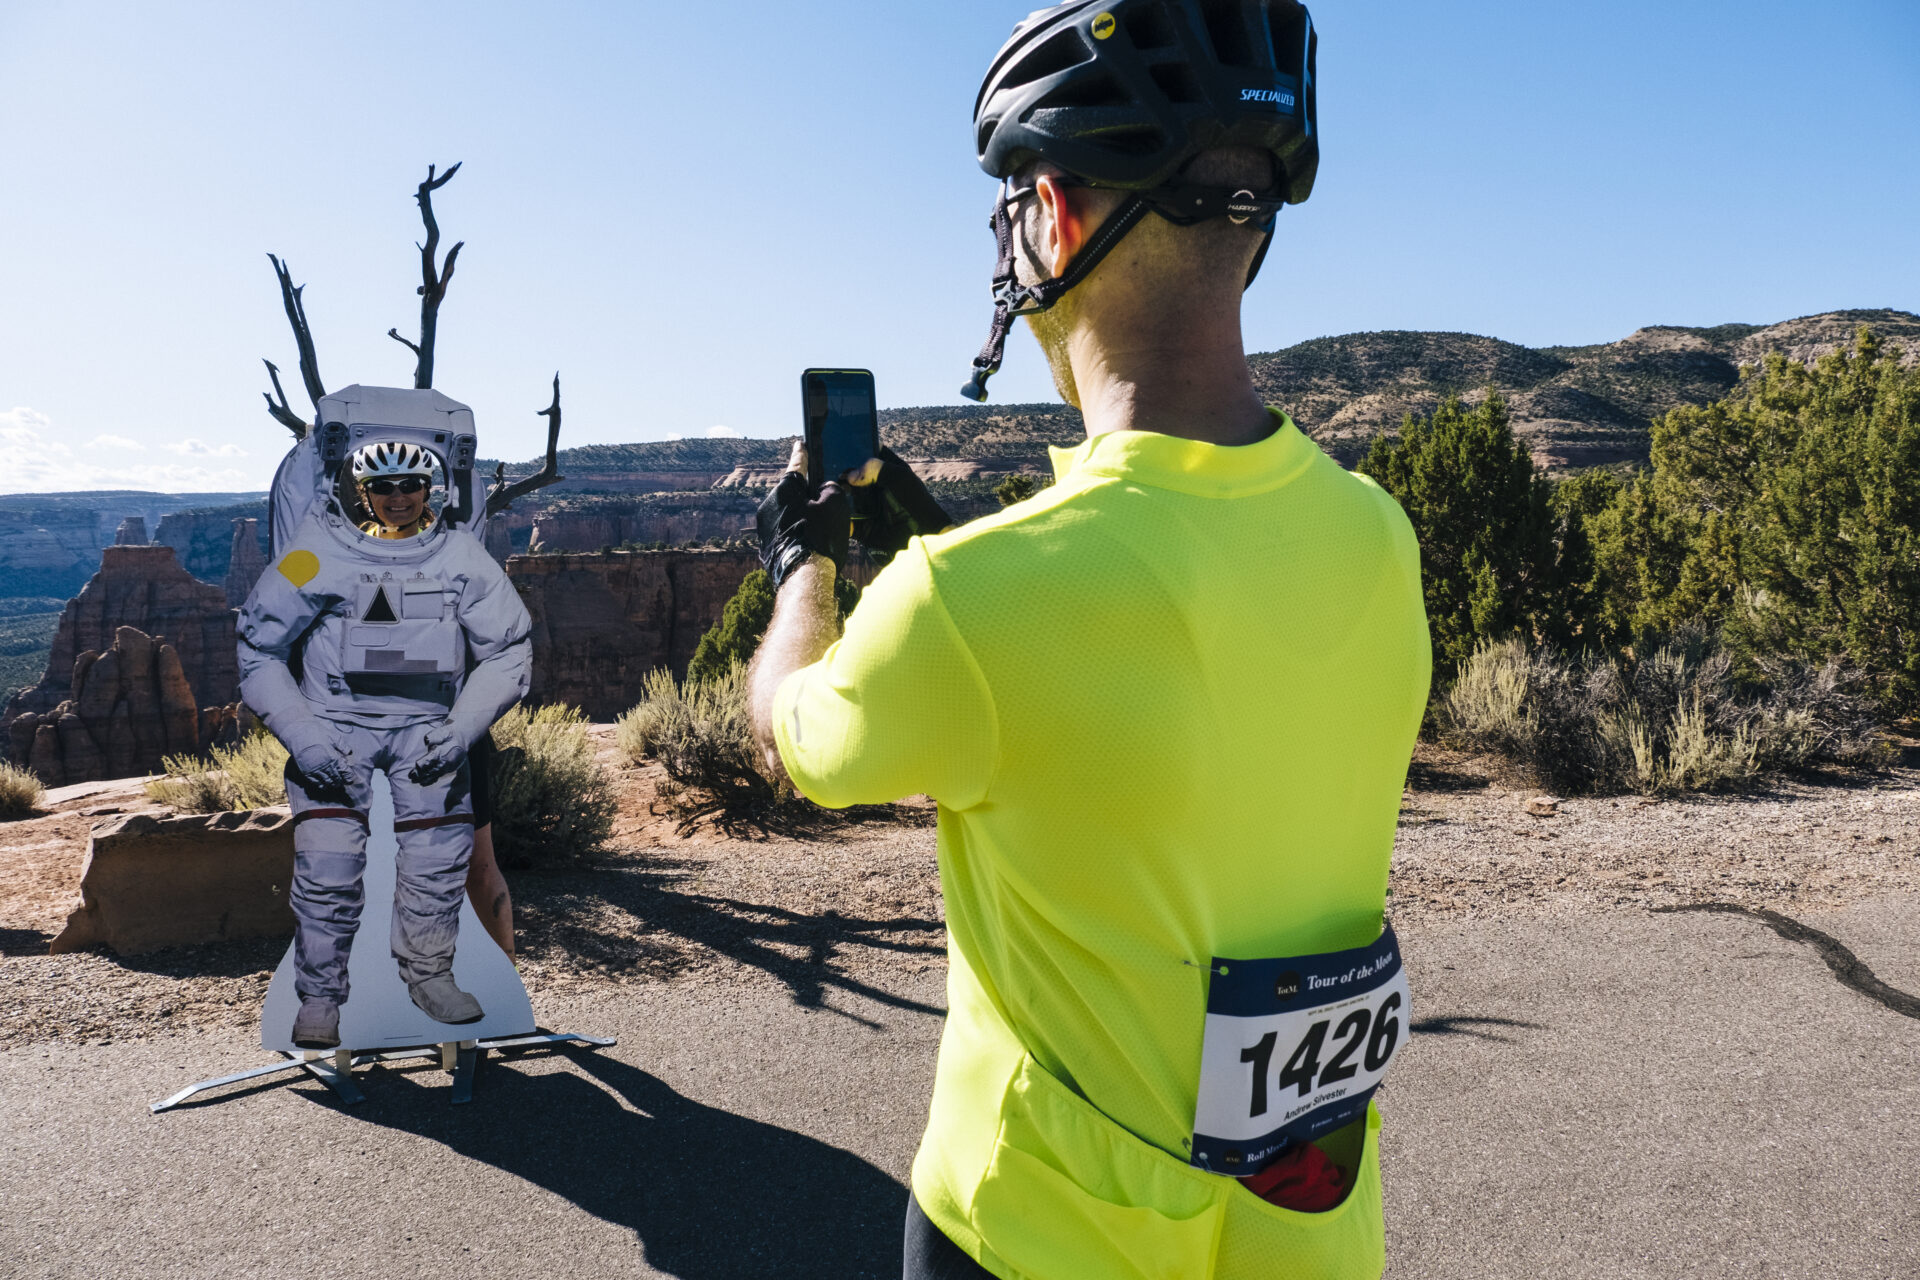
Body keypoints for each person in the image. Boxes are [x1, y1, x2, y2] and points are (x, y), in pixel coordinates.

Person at [747, 3, 1430, 1277]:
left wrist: (806, 568)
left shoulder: (969, 598)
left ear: (1053, 217)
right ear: (1253, 221)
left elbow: (800, 740)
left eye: (1012, 200)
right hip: (1315, 1204)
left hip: (1045, 1223)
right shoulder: (1378, 537)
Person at [238, 438, 533, 1049]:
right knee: (329, 864)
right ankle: (319, 998)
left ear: (431, 490)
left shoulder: (460, 556)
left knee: (437, 862)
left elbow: (508, 650)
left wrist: (459, 731)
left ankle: (430, 977)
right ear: (361, 490)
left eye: (409, 486)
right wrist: (306, 739)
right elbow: (259, 646)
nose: (397, 498)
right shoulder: (313, 555)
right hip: (334, 727)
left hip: (429, 727)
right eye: (383, 487)